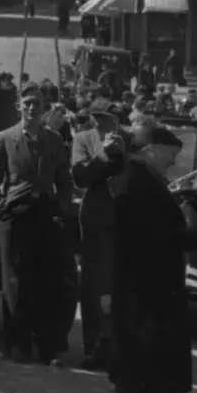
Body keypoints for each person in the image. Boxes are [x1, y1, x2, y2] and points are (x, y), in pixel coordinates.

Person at [108, 126, 197, 393]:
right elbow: (162, 239)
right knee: (150, 386)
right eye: (171, 155)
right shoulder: (140, 185)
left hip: (146, 295)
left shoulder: (143, 181)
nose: (174, 162)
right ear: (152, 149)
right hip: (148, 299)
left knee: (145, 389)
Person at [0, 82, 75, 365]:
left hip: (44, 213)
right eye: (27, 103)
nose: (32, 107)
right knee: (14, 282)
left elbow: (64, 179)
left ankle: (46, 345)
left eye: (37, 103)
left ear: (45, 109)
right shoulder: (5, 138)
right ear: (18, 107)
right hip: (15, 213)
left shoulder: (54, 140)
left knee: (47, 280)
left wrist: (63, 207)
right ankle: (18, 343)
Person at [70, 99, 128, 371]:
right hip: (97, 219)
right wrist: (104, 155)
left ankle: (124, 348)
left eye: (107, 117)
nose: (101, 122)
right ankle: (95, 348)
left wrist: (124, 153)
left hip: (127, 219)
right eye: (97, 117)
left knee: (124, 284)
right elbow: (80, 177)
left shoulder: (133, 139)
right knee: (94, 284)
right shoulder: (83, 139)